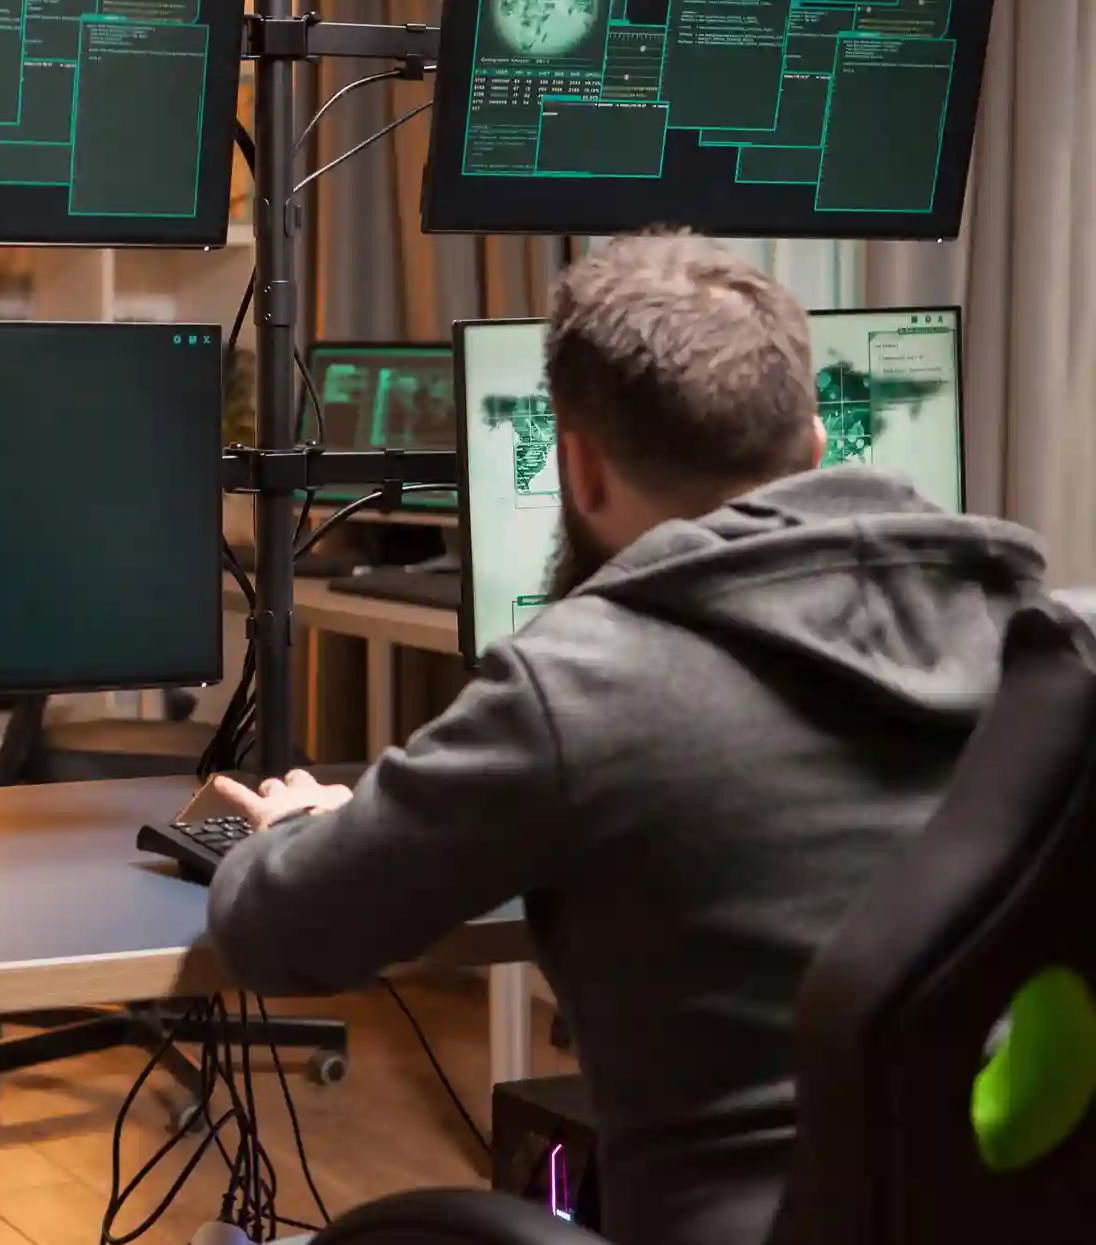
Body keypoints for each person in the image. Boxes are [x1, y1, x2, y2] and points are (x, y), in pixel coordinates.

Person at [205, 230, 1047, 1245]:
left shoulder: (582, 682)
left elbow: (281, 932)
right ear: (818, 444)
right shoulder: (1032, 639)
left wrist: (292, 832)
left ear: (580, 470)